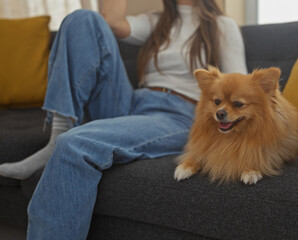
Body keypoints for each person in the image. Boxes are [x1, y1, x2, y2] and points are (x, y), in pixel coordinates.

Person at [0, 0, 247, 238]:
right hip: (131, 102)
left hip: (178, 114)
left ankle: (62, 141)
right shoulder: (157, 21)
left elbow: (240, 89)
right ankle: (58, 130)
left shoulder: (222, 25)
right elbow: (110, 20)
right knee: (83, 18)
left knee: (74, 144)